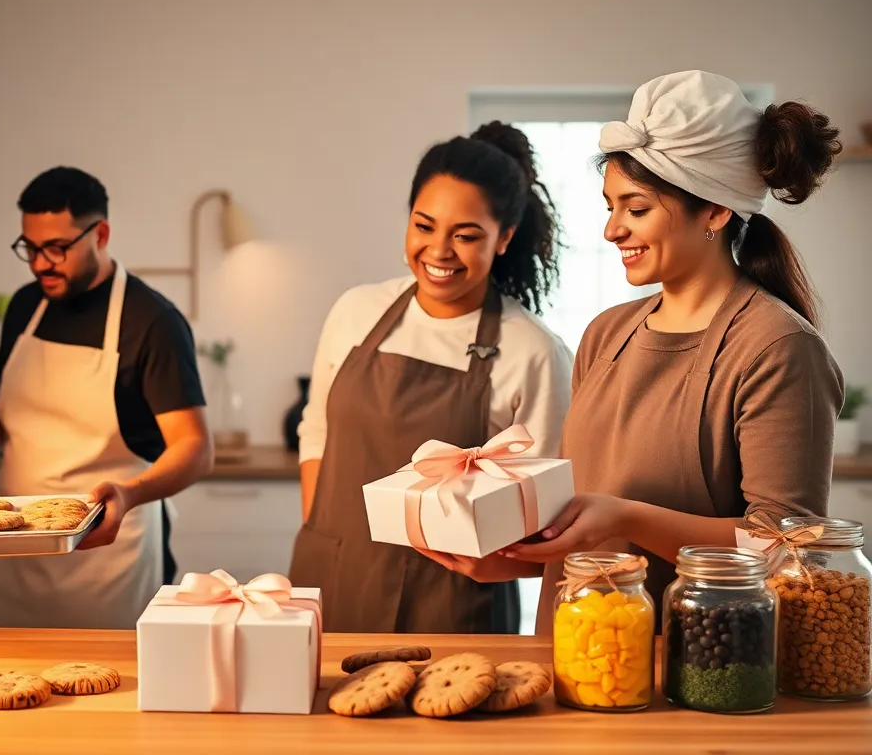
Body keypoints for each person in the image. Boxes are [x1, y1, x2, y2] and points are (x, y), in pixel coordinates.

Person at [491, 71, 845, 634]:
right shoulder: (605, 335)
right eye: (610, 207)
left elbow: (787, 547)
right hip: (579, 653)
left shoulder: (777, 348)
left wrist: (629, 517)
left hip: (701, 667)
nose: (612, 230)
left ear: (715, 212)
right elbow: (578, 513)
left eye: (636, 209)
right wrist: (501, 554)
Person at [287, 122, 574, 634]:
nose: (439, 250)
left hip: (450, 604)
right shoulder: (357, 311)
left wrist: (499, 566)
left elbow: (546, 516)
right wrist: (325, 532)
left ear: (504, 238)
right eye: (424, 226)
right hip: (331, 579)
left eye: (465, 236)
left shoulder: (531, 349)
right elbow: (317, 431)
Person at [0, 166, 214, 629]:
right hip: (14, 548)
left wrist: (130, 495)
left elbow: (196, 449)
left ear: (101, 234)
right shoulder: (26, 305)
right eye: (30, 248)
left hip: (106, 555)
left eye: (56, 248)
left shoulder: (151, 321)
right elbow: (1, 396)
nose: (40, 263)